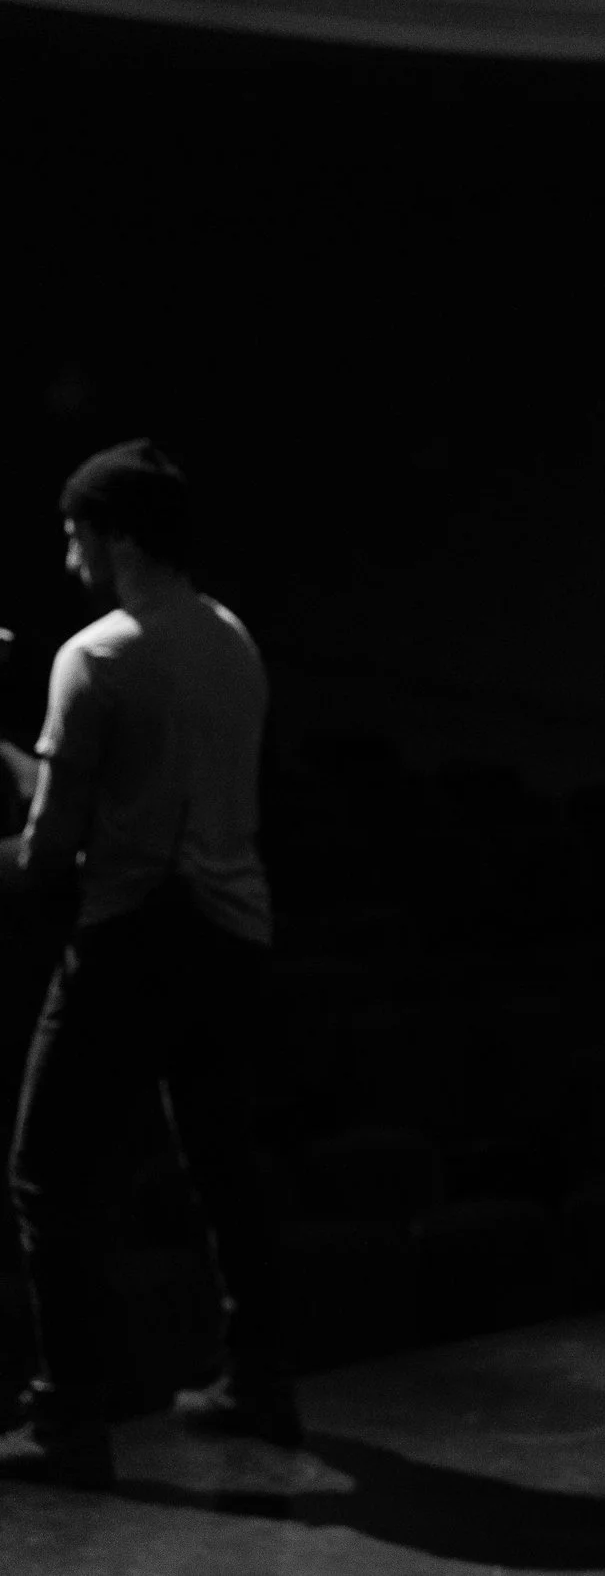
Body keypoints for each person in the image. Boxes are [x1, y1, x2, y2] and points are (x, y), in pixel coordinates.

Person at [0, 440, 294, 1490]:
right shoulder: (232, 638)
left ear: (117, 536)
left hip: (136, 937)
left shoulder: (95, 655)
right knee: (223, 1162)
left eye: (74, 530)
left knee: (45, 1174)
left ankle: (67, 1418)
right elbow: (143, 788)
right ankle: (260, 1376)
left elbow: (52, 850)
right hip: (233, 934)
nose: (67, 551)